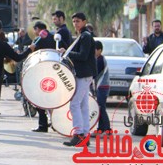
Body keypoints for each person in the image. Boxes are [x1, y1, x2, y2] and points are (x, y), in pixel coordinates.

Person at [59, 12, 97, 147]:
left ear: (84, 22)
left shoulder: (85, 36)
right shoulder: (82, 36)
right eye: (74, 21)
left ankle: (79, 134)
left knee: (74, 104)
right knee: (83, 105)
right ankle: (85, 135)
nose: (76, 24)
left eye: (78, 21)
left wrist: (67, 53)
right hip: (84, 74)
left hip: (85, 74)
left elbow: (83, 55)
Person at [23, 21, 58, 133]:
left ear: (37, 29)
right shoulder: (53, 36)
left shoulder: (39, 38)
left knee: (39, 98)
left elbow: (34, 52)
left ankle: (43, 125)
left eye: (35, 30)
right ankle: (55, 123)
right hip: (53, 70)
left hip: (41, 71)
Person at [93, 40, 111, 135]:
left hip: (102, 87)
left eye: (94, 50)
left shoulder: (100, 60)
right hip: (100, 87)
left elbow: (94, 74)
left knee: (101, 108)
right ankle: (100, 129)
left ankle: (107, 129)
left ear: (99, 50)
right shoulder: (98, 59)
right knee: (100, 108)